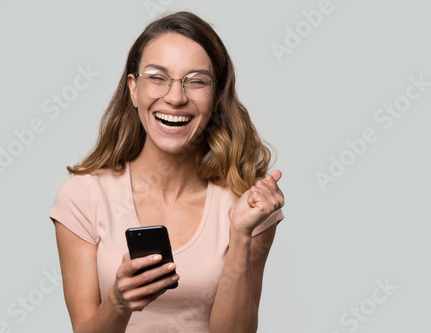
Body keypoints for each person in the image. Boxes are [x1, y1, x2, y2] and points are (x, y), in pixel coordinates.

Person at [50, 11, 285, 333]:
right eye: (157, 77)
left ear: (216, 96)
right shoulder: (83, 197)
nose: (175, 97)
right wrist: (119, 302)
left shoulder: (247, 204)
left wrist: (241, 236)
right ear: (133, 89)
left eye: (197, 81)